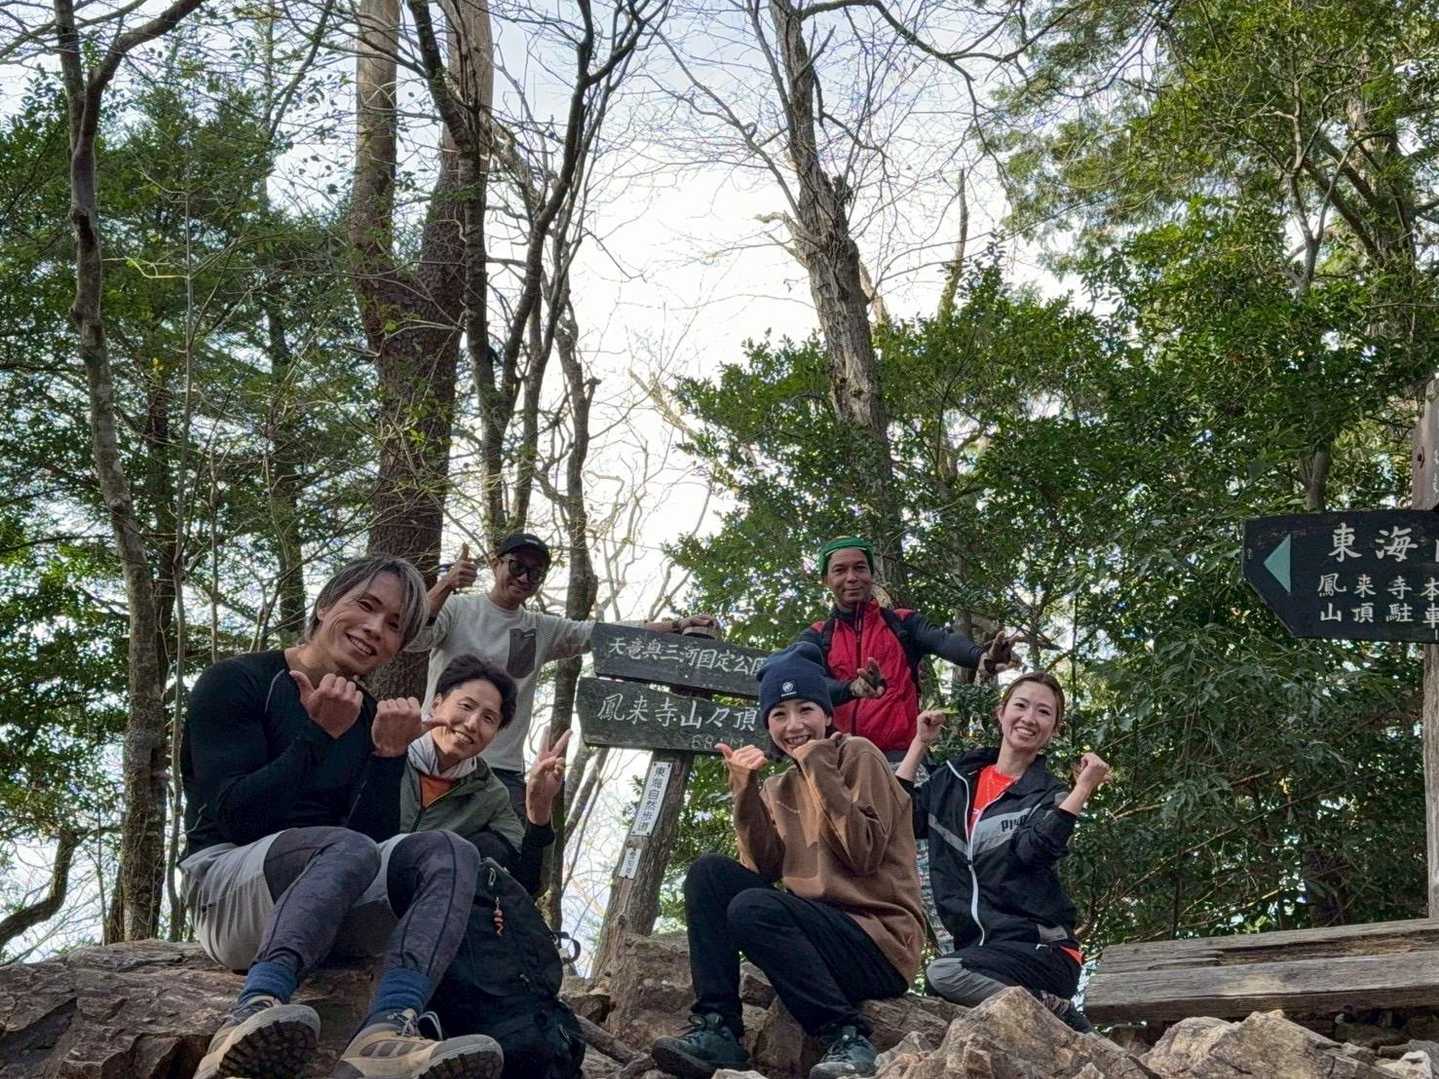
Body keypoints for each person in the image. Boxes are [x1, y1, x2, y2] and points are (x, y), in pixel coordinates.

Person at [181, 556, 504, 1079]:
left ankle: (386, 1034)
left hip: (325, 903)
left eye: (394, 625)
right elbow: (235, 817)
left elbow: (371, 851)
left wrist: (388, 757)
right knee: (343, 846)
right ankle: (250, 1012)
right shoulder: (238, 681)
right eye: (366, 606)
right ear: (325, 604)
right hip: (226, 890)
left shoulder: (367, 716)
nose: (375, 629)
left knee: (449, 849)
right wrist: (317, 736)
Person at [650, 642, 924, 1079]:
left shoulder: (858, 754)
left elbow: (864, 852)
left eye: (805, 709)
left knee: (753, 906)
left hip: (877, 943)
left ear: (827, 715)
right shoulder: (778, 787)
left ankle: (846, 1035)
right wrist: (745, 792)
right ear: (768, 725)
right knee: (710, 875)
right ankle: (719, 1028)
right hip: (813, 936)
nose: (794, 725)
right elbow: (761, 871)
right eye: (779, 714)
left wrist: (818, 766)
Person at [412, 532, 714, 818]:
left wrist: (677, 625)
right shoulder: (457, 608)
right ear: (495, 563)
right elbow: (414, 638)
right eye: (517, 566)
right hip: (434, 756)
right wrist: (445, 585)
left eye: (535, 573)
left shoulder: (541, 629)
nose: (524, 578)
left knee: (502, 850)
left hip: (500, 771)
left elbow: (603, 635)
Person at [894, 671, 1111, 1032]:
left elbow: (1035, 851)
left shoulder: (1049, 794)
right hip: (980, 953)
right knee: (941, 983)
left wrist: (1083, 789)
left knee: (943, 974)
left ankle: (1054, 1011)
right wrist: (919, 744)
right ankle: (1042, 1010)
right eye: (1021, 706)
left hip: (1043, 950)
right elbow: (898, 817)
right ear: (1001, 712)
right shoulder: (957, 779)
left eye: (1043, 712)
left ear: (1054, 729)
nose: (1029, 718)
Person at [796, 536, 1017, 756]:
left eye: (860, 568)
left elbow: (942, 640)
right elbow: (803, 682)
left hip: (902, 757)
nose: (852, 577)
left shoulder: (902, 623)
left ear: (871, 574)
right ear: (825, 580)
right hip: (841, 758)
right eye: (840, 570)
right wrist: (852, 689)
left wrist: (981, 657)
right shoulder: (817, 636)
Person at [402, 653, 568, 894]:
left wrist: (539, 810)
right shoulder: (387, 746)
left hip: (426, 901)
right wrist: (389, 756)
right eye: (466, 706)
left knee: (488, 847)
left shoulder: (490, 793)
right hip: (356, 879)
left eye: (488, 719)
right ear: (437, 703)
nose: (472, 724)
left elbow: (529, 884)